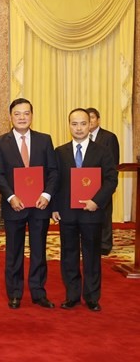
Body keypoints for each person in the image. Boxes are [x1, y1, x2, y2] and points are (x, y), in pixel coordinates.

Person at [0, 98, 58, 310]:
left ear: (32, 115)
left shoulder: (44, 140)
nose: (22, 117)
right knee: (14, 250)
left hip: (40, 205)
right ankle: (15, 293)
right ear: (10, 117)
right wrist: (11, 197)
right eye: (17, 114)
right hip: (14, 206)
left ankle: (38, 292)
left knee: (39, 249)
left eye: (26, 113)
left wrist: (47, 195)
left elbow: (53, 171)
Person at [52, 108, 118, 311]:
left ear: (90, 125)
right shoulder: (60, 152)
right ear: (69, 125)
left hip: (92, 212)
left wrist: (96, 201)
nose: (78, 128)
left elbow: (111, 180)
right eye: (74, 123)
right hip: (67, 213)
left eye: (83, 123)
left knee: (91, 256)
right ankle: (71, 295)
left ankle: (91, 297)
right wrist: (54, 207)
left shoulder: (102, 151)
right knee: (69, 255)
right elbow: (54, 181)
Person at [86, 107, 120, 256]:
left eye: (93, 117)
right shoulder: (82, 136)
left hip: (103, 183)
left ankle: (105, 245)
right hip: (86, 183)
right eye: (88, 118)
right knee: (87, 215)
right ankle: (89, 243)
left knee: (105, 214)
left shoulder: (109, 137)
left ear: (98, 120)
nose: (91, 120)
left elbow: (113, 162)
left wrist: (109, 183)